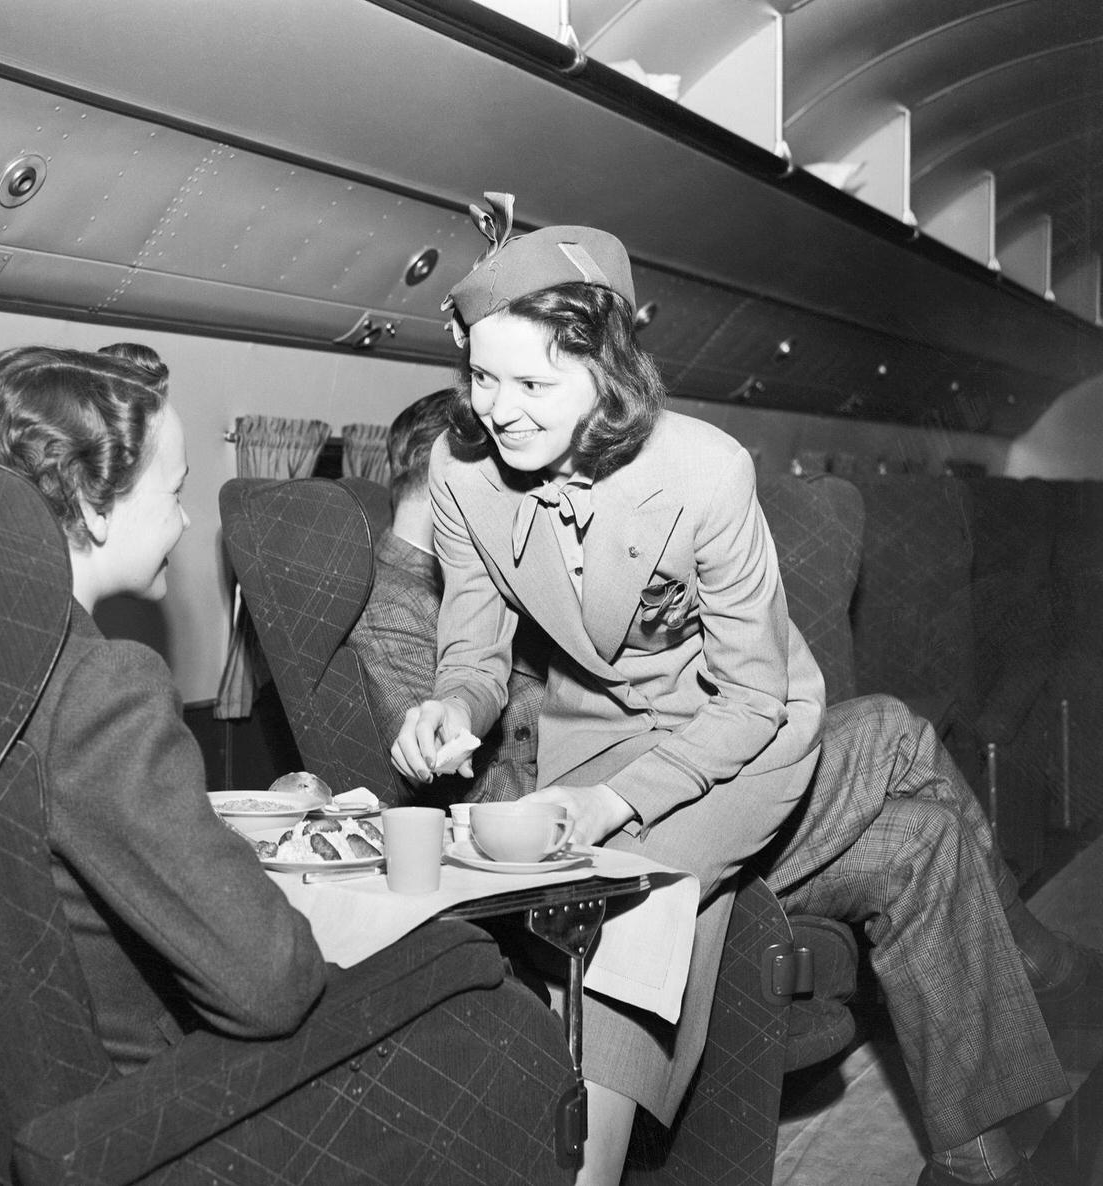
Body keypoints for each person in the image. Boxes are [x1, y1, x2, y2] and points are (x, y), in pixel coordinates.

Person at [390, 194, 1088, 1186]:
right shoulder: (461, 476)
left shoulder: (703, 471)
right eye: (480, 375)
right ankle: (995, 1137)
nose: (496, 407)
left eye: (529, 381)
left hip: (743, 746)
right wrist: (447, 712)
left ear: (603, 370)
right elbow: (470, 652)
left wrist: (614, 804)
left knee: (627, 895)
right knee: (917, 836)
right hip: (594, 748)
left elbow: (754, 703)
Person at [0, 345, 576, 1183]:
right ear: (91, 504)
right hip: (160, 1117)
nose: (187, 522)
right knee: (497, 1009)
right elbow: (271, 982)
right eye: (173, 491)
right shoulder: (96, 683)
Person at [351, 388, 548, 806]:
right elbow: (457, 785)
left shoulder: (467, 587)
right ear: (452, 480)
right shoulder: (391, 607)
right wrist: (596, 793)